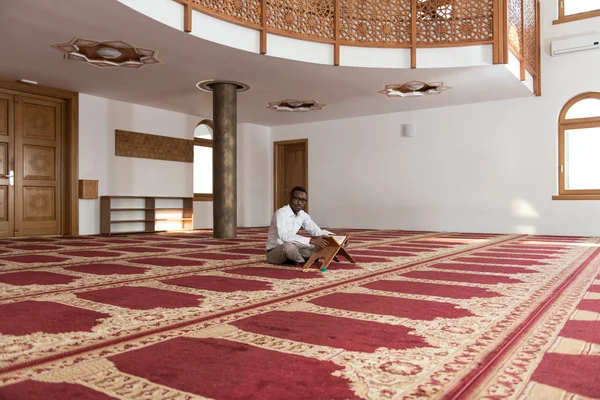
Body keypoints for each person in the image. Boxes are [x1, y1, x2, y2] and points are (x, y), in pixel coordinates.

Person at [266, 186, 332, 265]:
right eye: (296, 199)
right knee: (289, 247)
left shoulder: (302, 215)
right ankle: (302, 261)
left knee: (317, 247)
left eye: (303, 200)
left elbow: (316, 231)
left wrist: (338, 238)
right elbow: (284, 236)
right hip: (275, 251)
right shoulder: (281, 213)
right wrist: (310, 240)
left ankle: (295, 258)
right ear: (290, 198)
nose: (299, 203)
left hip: (295, 247)